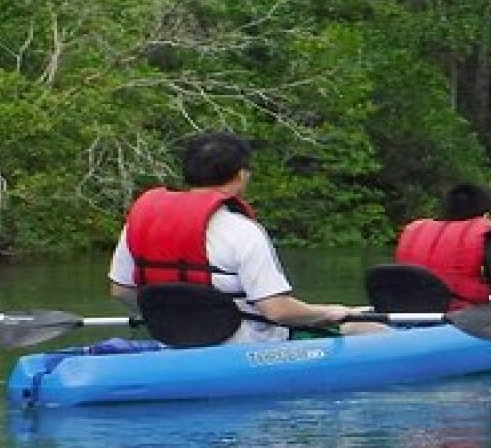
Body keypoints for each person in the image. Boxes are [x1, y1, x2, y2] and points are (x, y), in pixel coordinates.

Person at [108, 131, 373, 343]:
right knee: (366, 326)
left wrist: (169, 320)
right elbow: (278, 310)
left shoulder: (140, 224)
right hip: (244, 344)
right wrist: (328, 312)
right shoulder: (242, 231)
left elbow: (121, 291)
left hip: (172, 341)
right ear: (240, 175)